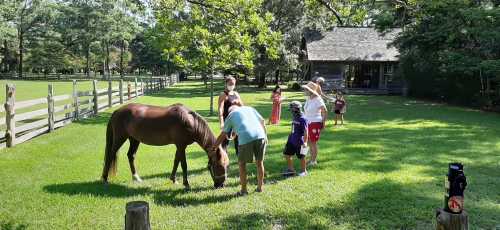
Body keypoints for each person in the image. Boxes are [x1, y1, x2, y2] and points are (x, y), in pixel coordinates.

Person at [213, 104, 267, 196]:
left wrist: (214, 147)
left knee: (242, 164)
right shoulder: (249, 108)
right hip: (261, 136)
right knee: (259, 162)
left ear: (230, 111)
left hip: (246, 138)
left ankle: (244, 190)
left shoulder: (231, 115)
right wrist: (265, 136)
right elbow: (262, 121)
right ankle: (260, 188)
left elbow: (223, 135)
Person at [302, 81, 327, 166]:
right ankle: (310, 159)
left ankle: (314, 161)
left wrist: (323, 123)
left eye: (306, 89)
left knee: (313, 142)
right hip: (307, 122)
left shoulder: (318, 99)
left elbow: (324, 111)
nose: (304, 91)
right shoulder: (309, 98)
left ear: (310, 91)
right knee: (308, 141)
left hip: (315, 123)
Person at [218, 76, 243, 155]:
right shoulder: (223, 94)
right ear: (226, 84)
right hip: (227, 121)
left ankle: (240, 158)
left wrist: (239, 103)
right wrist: (221, 122)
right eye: (230, 84)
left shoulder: (236, 94)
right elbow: (220, 109)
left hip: (237, 121)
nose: (232, 85)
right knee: (225, 142)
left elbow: (243, 107)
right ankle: (223, 159)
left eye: (233, 84)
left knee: (239, 141)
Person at [282, 101, 308, 177]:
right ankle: (291, 169)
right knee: (287, 154)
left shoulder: (303, 118)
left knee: (302, 156)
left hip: (300, 141)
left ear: (296, 109)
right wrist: (290, 135)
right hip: (291, 139)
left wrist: (305, 142)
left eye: (292, 110)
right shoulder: (295, 116)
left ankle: (304, 171)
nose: (291, 111)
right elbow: (293, 127)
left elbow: (306, 131)